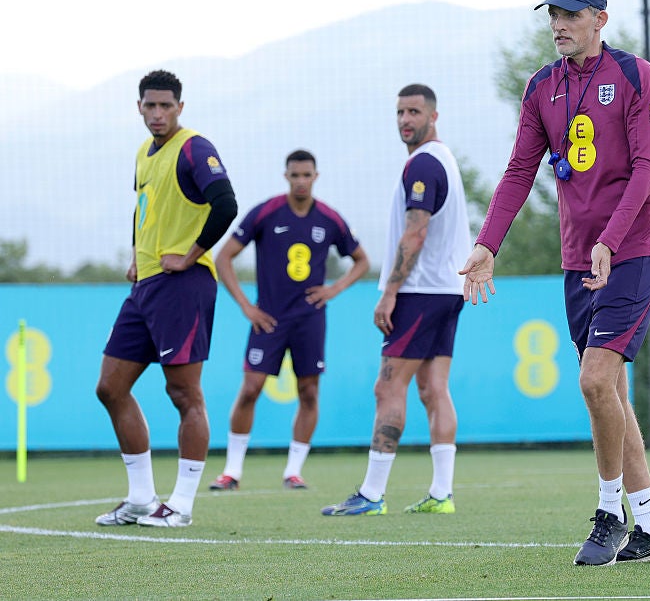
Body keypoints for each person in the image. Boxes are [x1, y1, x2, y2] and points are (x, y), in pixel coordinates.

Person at [460, 0, 650, 566]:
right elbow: (517, 172)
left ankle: (611, 512)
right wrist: (488, 245)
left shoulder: (636, 76)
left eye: (571, 14)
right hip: (577, 255)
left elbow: (645, 167)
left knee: (592, 380)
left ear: (600, 19)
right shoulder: (541, 87)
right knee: (609, 391)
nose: (559, 23)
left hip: (635, 248)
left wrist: (611, 240)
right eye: (553, 13)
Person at [94, 70, 238, 528]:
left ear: (180, 107)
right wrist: (138, 256)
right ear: (139, 107)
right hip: (146, 286)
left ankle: (181, 504)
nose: (158, 114)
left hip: (184, 284)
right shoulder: (143, 153)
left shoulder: (195, 147)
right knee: (110, 388)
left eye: (166, 106)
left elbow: (226, 204)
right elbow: (143, 211)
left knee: (183, 393)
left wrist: (193, 254)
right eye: (150, 106)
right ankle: (140, 499)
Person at [321, 84, 471, 516]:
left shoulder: (423, 163)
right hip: (448, 289)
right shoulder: (444, 159)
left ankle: (371, 494)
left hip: (420, 291)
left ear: (433, 116)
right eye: (400, 112)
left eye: (414, 112)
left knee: (388, 386)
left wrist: (389, 292)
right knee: (434, 388)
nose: (406, 120)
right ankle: (442, 494)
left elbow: (416, 232)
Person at [209, 149, 369, 491]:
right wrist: (245, 306)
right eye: (294, 175)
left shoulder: (329, 219)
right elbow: (223, 258)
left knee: (309, 391)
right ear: (286, 176)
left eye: (306, 175)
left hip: (309, 319)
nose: (300, 181)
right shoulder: (266, 213)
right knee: (250, 388)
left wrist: (334, 289)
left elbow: (361, 261)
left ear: (316, 176)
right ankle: (231, 471)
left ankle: (293, 471)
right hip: (267, 319)